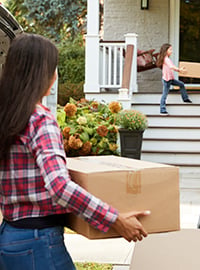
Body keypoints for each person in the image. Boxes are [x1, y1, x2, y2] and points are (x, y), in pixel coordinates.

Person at [0, 33, 150, 270]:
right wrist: (115, 219)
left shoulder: (7, 118)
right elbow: (59, 186)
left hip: (9, 237)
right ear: (41, 73)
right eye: (54, 67)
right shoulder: (40, 120)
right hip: (38, 241)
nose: (56, 74)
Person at [156, 43, 192, 116]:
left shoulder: (167, 59)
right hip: (166, 80)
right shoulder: (166, 59)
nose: (172, 51)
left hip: (170, 79)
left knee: (181, 84)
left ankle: (185, 98)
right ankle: (162, 109)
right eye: (170, 49)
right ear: (166, 51)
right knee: (164, 94)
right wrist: (179, 70)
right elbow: (172, 67)